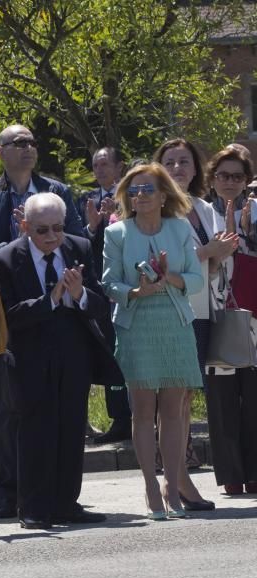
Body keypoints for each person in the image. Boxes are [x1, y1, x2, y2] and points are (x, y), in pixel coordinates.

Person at [0, 123, 83, 520]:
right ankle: (9, 493)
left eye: (31, 142)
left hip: (63, 317)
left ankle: (63, 497)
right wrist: (21, 241)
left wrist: (46, 238)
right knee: (11, 411)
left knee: (64, 415)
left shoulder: (58, 191)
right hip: (9, 315)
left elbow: (77, 240)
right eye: (18, 142)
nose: (28, 148)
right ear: (0, 152)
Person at [0, 193, 120, 529]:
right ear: (25, 227)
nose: (51, 237)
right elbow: (10, 316)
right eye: (42, 230)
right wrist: (51, 299)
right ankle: (32, 506)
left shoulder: (77, 248)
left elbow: (100, 303)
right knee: (35, 431)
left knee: (70, 428)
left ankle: (66, 503)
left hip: (73, 351)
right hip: (30, 355)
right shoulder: (5, 259)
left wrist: (78, 295)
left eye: (57, 228)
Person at [102, 163, 205, 519]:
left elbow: (196, 279)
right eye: (133, 191)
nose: (140, 196)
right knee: (143, 411)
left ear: (164, 195)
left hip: (175, 323)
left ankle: (172, 484)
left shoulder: (179, 228)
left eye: (147, 190)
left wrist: (170, 277)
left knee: (174, 413)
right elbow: (108, 284)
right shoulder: (117, 233)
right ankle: (150, 486)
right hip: (138, 325)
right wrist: (137, 290)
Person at [156, 138, 236, 510]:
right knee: (173, 400)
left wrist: (216, 258)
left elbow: (219, 262)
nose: (177, 168)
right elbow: (163, 264)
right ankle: (176, 483)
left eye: (184, 161)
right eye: (169, 162)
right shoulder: (154, 208)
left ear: (195, 167)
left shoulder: (204, 208)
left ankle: (178, 481)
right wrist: (207, 254)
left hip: (203, 310)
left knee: (187, 397)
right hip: (171, 312)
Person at [205, 147, 257, 495]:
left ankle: (254, 472)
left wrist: (247, 238)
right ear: (212, 178)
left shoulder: (255, 212)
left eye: (237, 176)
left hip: (253, 314)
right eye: (223, 175)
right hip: (213, 311)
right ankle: (230, 475)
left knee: (253, 398)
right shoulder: (200, 214)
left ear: (246, 180)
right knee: (222, 398)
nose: (229, 182)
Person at [78, 147, 132, 445]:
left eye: (105, 164)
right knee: (113, 355)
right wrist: (92, 226)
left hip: (132, 287)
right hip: (101, 291)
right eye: (95, 165)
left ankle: (140, 416)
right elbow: (80, 242)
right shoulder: (86, 200)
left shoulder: (132, 195)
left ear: (118, 166)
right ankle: (120, 418)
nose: (99, 170)